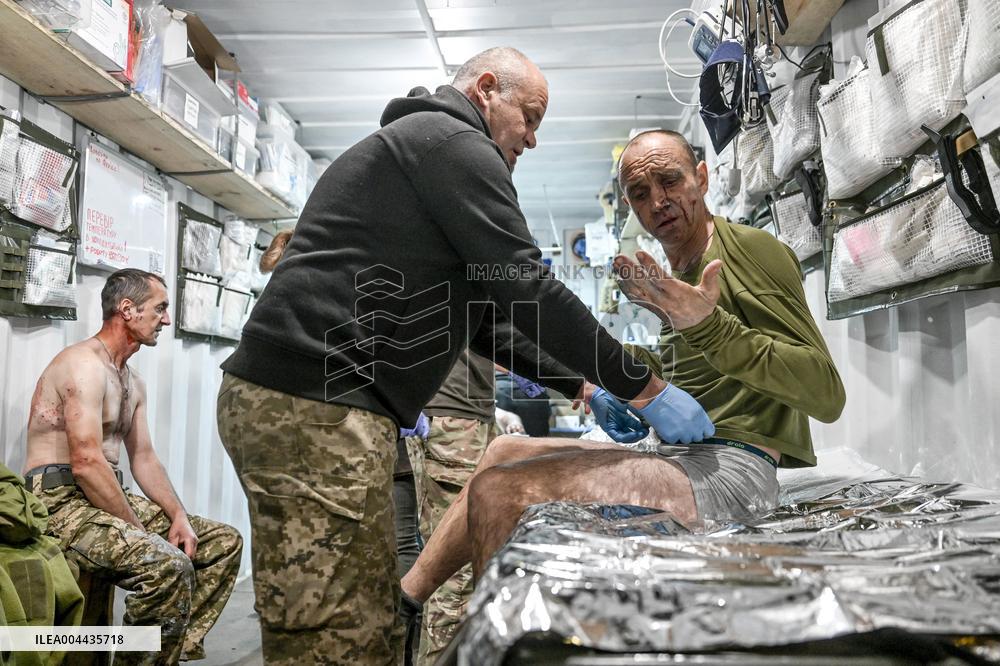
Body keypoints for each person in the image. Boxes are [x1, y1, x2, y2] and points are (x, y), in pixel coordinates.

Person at [216, 47, 705, 665]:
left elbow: (486, 323)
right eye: (528, 116)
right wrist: (646, 388)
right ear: (486, 90)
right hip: (310, 405)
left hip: (329, 406)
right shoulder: (451, 142)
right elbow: (528, 285)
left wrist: (581, 386)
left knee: (369, 620)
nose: (532, 137)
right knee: (327, 635)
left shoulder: (427, 150)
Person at [400, 129, 845, 602]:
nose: (658, 201)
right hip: (679, 456)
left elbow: (826, 393)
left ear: (701, 178)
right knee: (500, 454)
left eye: (670, 181)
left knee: (501, 492)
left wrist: (709, 326)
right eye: (640, 193)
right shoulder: (677, 276)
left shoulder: (747, 250)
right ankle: (407, 600)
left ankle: (499, 645)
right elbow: (697, 375)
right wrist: (616, 380)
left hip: (734, 470)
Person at [24, 268, 243, 665]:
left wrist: (178, 516)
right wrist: (142, 533)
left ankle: (162, 650)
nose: (167, 320)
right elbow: (87, 462)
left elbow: (143, 456)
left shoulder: (131, 381)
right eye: (160, 309)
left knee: (221, 543)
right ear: (127, 309)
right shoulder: (82, 365)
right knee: (166, 563)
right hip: (57, 500)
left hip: (103, 495)